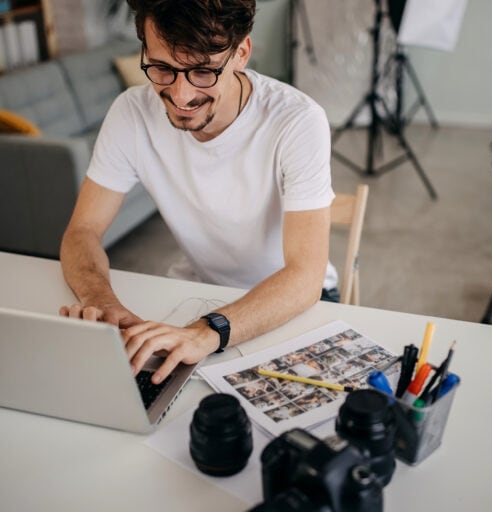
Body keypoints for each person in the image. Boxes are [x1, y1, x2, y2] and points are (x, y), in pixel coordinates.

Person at [59, 0, 337, 385]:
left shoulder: (297, 121)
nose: (181, 95)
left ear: (241, 53)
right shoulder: (131, 114)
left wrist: (205, 333)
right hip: (202, 293)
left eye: (203, 72)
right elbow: (82, 232)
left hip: (296, 302)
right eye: (162, 69)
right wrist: (101, 301)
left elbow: (306, 276)